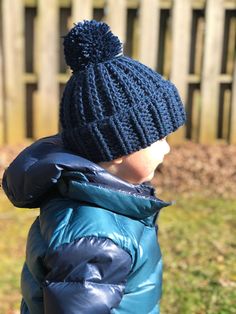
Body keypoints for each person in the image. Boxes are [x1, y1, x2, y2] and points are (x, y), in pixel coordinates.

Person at [2, 20, 186, 314]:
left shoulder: (102, 203)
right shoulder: (95, 241)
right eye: (158, 138)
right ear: (116, 150)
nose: (167, 147)